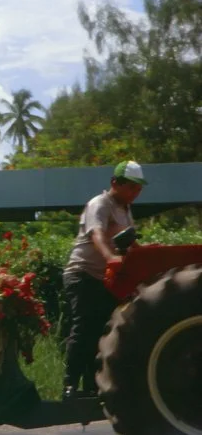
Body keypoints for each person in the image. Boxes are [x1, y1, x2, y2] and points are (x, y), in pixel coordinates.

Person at [62, 160, 147, 400]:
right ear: (115, 183)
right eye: (131, 187)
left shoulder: (126, 210)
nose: (136, 192)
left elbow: (128, 241)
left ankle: (92, 385)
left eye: (139, 188)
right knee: (84, 328)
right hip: (83, 274)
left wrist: (146, 253)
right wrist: (110, 257)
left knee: (103, 330)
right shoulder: (99, 204)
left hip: (105, 279)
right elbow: (97, 234)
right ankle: (69, 384)